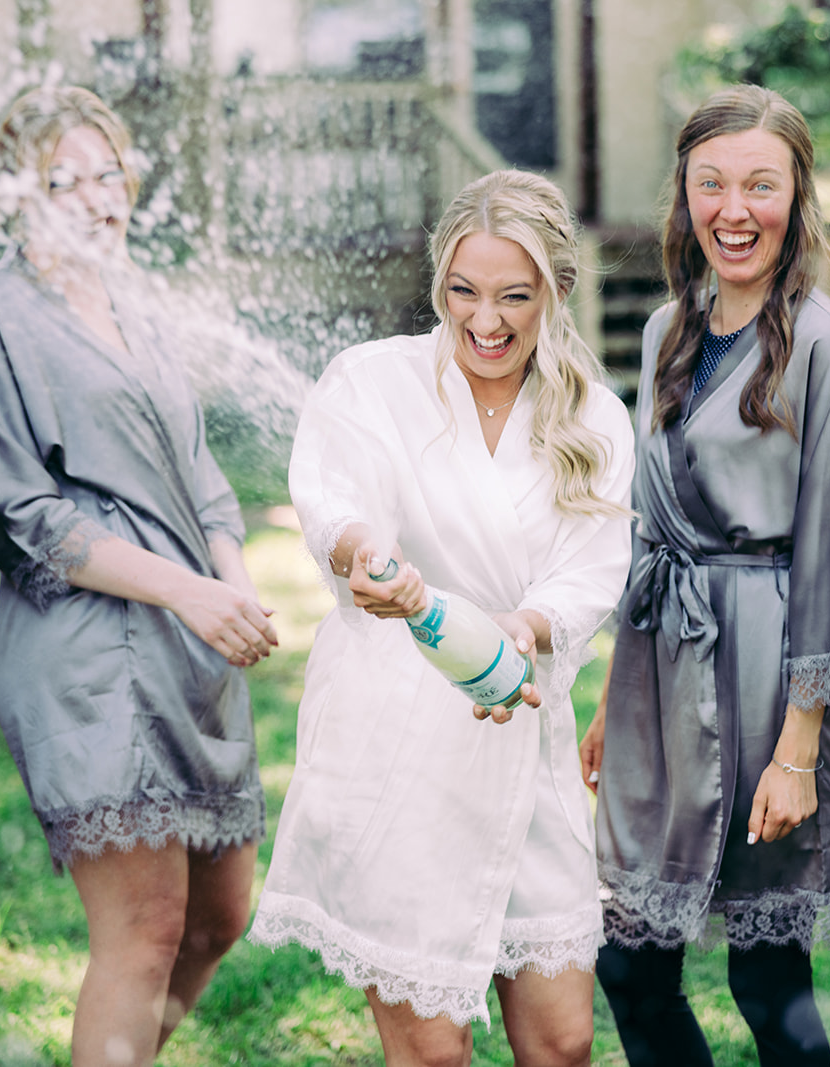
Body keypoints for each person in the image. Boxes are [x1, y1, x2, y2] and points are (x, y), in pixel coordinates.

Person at [249, 168, 634, 1067]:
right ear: (439, 286)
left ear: (556, 292)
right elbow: (333, 501)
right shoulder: (373, 382)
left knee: (566, 1041)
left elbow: (592, 568)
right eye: (463, 292)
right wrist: (362, 556)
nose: (485, 320)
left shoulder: (593, 418)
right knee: (433, 1054)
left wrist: (524, 625)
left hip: (521, 728)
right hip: (399, 752)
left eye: (513, 296)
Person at [0, 87, 273, 1067]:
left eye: (107, 172)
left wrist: (232, 580)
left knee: (218, 918)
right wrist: (188, 591)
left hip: (194, 641)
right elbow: (20, 509)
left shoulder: (141, 300)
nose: (94, 196)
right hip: (89, 647)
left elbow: (200, 467)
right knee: (144, 932)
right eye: (61, 179)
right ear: (18, 196)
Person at [581, 84, 830, 1066]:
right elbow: (648, 521)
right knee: (631, 965)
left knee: (766, 975)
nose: (733, 208)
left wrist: (800, 743)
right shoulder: (672, 326)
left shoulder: (823, 342)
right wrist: (615, 694)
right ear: (684, 193)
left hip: (765, 677)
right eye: (711, 183)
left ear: (796, 198)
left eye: (760, 183)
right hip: (661, 671)